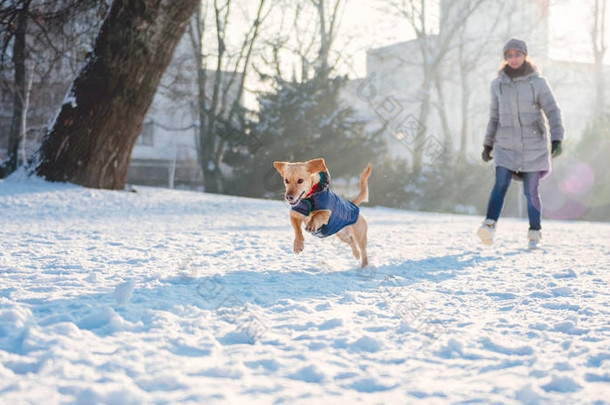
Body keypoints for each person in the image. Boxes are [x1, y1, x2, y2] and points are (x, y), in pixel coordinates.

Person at [478, 38, 564, 248]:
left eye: (517, 54)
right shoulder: (497, 84)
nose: (513, 59)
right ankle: (488, 227)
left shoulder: (538, 82)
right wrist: (488, 144)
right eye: (509, 55)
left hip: (533, 146)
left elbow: (552, 110)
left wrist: (557, 137)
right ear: (505, 58)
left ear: (525, 55)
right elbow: (494, 117)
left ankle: (535, 231)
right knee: (500, 184)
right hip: (505, 145)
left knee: (530, 191)